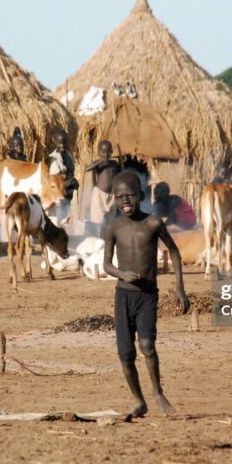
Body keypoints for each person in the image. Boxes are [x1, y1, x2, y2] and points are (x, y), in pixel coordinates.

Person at [103, 172, 190, 418]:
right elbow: (106, 265)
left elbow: (174, 251)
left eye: (130, 194)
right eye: (119, 196)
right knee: (125, 354)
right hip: (123, 296)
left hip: (147, 296)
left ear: (141, 195)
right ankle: (138, 401)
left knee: (147, 345)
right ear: (114, 199)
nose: (125, 200)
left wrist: (179, 288)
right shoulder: (114, 228)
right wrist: (121, 274)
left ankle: (158, 391)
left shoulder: (153, 223)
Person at [85, 140, 121, 237]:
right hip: (99, 195)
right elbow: (87, 169)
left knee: (110, 223)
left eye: (108, 152)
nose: (106, 154)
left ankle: (107, 241)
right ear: (99, 152)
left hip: (112, 196)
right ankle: (97, 241)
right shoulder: (98, 163)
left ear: (112, 152)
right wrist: (100, 161)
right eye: (103, 152)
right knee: (98, 222)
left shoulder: (114, 164)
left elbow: (121, 174)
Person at [48, 130, 78, 220]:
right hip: (59, 198)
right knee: (59, 222)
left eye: (64, 143)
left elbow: (70, 173)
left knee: (66, 222)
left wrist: (74, 182)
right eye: (60, 143)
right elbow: (54, 182)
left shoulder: (68, 155)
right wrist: (69, 182)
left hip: (68, 195)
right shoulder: (55, 159)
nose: (63, 145)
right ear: (56, 143)